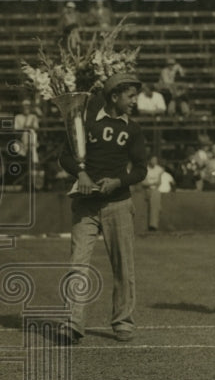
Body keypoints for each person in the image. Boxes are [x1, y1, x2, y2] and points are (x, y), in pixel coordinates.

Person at [58, 70, 147, 344]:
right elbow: (65, 157)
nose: (134, 101)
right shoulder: (84, 123)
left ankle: (123, 322)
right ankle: (73, 323)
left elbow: (141, 169)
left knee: (123, 268)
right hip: (85, 206)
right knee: (77, 265)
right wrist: (81, 175)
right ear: (114, 95)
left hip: (118, 204)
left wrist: (119, 181)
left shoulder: (132, 129)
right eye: (130, 96)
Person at [140, 155, 165, 231]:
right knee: (156, 202)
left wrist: (151, 183)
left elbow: (159, 183)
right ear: (149, 160)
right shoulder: (145, 169)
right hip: (146, 190)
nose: (154, 161)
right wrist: (153, 183)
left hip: (155, 190)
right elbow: (143, 183)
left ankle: (153, 225)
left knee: (155, 196)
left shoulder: (159, 169)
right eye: (153, 160)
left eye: (155, 160)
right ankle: (153, 223)